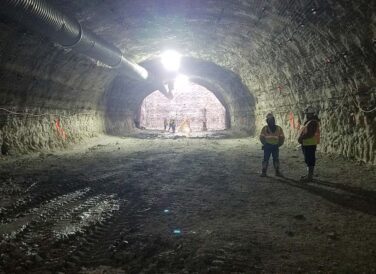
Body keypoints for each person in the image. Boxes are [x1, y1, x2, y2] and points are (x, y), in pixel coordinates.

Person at [298, 106, 320, 182]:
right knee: (308, 159)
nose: (306, 115)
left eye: (307, 113)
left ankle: (310, 176)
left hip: (309, 143)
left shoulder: (312, 122)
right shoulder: (309, 121)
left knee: (310, 159)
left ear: (310, 114)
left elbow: (309, 134)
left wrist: (301, 138)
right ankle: (309, 174)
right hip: (307, 143)